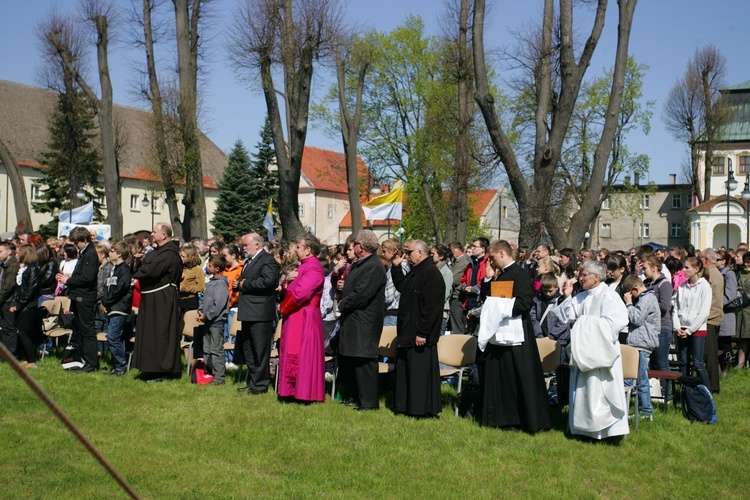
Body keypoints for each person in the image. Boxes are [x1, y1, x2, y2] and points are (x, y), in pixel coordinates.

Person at [476, 239, 552, 433]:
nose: (490, 262)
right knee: (499, 374)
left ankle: (518, 418)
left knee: (517, 375)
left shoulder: (520, 275)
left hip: (516, 333)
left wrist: (500, 307)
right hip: (498, 334)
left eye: (492, 257)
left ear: (502, 253)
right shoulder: (499, 275)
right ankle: (500, 417)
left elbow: (524, 303)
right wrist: (488, 279)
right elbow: (486, 299)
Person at [548, 259, 629, 440]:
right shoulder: (582, 296)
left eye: (584, 275)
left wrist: (584, 323)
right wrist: (568, 295)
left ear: (596, 277)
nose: (580, 278)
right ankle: (584, 430)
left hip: (602, 353)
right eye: (580, 274)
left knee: (601, 390)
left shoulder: (609, 296)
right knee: (584, 390)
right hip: (584, 352)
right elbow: (566, 316)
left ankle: (608, 432)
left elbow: (618, 322)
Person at [388, 239, 444, 417]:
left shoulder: (431, 273)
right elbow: (404, 288)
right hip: (409, 332)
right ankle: (405, 406)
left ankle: (420, 409)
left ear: (420, 253)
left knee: (419, 374)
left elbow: (432, 308)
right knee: (407, 371)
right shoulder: (417, 271)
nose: (407, 256)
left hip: (419, 335)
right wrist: (396, 267)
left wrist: (423, 332)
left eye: (409, 252)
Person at [337, 230, 386, 411]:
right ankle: (355, 397)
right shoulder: (360, 264)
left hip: (365, 321)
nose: (353, 245)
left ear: (362, 247)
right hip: (354, 319)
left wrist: (342, 304)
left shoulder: (374, 266)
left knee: (364, 361)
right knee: (353, 360)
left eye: (355, 243)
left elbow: (362, 294)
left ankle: (368, 403)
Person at [277, 233, 326, 402]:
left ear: (308, 250)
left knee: (301, 353)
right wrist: (286, 281)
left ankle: (303, 392)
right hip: (296, 314)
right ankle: (290, 390)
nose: (295, 250)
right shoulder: (303, 266)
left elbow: (301, 294)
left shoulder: (313, 268)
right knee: (291, 350)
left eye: (298, 247)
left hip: (304, 315)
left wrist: (283, 307)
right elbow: (291, 287)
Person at [132, 223, 183, 381]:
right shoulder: (158, 251)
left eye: (155, 232)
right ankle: (150, 367)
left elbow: (150, 270)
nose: (151, 235)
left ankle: (163, 370)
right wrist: (140, 263)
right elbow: (144, 265)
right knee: (149, 333)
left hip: (162, 298)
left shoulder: (169, 253)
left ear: (164, 235)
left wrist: (142, 267)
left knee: (161, 334)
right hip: (151, 297)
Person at [235, 233, 280, 395]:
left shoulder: (268, 260)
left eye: (246, 245)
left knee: (260, 349)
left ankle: (261, 384)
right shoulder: (250, 261)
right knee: (249, 349)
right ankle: (253, 381)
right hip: (248, 311)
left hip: (260, 312)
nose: (243, 248)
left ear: (257, 245)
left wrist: (245, 284)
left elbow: (268, 282)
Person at [57, 227, 99, 373]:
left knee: (87, 331)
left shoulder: (90, 254)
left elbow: (87, 278)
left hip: (85, 298)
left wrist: (68, 281)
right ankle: (82, 358)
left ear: (84, 240)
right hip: (78, 296)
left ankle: (91, 363)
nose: (75, 246)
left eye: (76, 242)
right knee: (79, 330)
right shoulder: (84, 253)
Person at [622, 275, 660, 421]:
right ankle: (628, 410)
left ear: (635, 289)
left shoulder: (648, 298)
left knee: (641, 379)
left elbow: (636, 319)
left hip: (642, 344)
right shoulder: (645, 298)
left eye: (632, 294)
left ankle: (646, 411)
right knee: (631, 379)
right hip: (637, 343)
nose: (633, 297)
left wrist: (629, 304)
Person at [673, 257, 711, 389]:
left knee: (698, 363)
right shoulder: (682, 286)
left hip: (697, 330)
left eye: (687, 267)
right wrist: (677, 327)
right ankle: (685, 391)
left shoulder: (704, 286)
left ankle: (706, 392)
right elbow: (676, 309)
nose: (684, 270)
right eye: (684, 267)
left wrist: (689, 331)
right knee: (683, 362)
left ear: (696, 269)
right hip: (682, 328)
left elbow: (704, 312)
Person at [101, 242, 133, 376]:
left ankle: (121, 366)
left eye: (113, 251)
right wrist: (104, 302)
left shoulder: (124, 270)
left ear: (119, 254)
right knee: (115, 337)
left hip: (119, 307)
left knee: (113, 337)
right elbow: (108, 288)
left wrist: (107, 302)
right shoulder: (114, 269)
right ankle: (117, 365)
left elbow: (120, 290)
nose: (110, 253)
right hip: (111, 306)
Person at [198, 255, 229, 385]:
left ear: (217, 269)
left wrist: (208, 315)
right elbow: (206, 300)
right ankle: (209, 372)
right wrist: (200, 310)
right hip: (208, 321)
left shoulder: (221, 284)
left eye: (209, 266)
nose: (207, 267)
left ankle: (219, 377)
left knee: (216, 349)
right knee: (207, 348)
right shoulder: (211, 282)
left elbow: (219, 304)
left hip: (216, 322)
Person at [10, 244, 42, 368]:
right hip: (21, 304)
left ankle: (32, 361)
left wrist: (19, 305)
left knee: (23, 332)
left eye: (18, 253)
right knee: (20, 332)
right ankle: (26, 358)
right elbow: (18, 289)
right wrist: (14, 302)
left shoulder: (34, 269)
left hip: (29, 306)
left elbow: (30, 291)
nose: (16, 255)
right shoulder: (23, 269)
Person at [699, 248, 724, 394]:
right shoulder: (712, 272)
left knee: (710, 355)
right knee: (708, 354)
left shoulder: (712, 273)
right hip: (711, 317)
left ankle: (712, 386)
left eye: (700, 257)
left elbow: (714, 299)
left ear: (706, 259)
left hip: (710, 318)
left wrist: (705, 316)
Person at [459, 237, 489, 334]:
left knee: (477, 335)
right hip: (468, 302)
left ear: (483, 249)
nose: (472, 249)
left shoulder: (487, 263)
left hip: (479, 303)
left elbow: (486, 283)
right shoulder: (471, 263)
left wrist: (473, 289)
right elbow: (463, 279)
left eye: (475, 247)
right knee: (468, 333)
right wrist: (464, 287)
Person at [716, 249, 738, 375]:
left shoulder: (729, 274)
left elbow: (731, 294)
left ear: (724, 261)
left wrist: (717, 304)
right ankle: (718, 366)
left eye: (717, 259)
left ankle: (728, 367)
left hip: (725, 312)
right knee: (717, 342)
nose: (715, 262)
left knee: (725, 342)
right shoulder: (715, 273)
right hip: (716, 312)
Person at [0, 241, 19, 355]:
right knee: (4, 328)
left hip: (8, 300)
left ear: (9, 251)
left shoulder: (12, 265)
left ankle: (11, 353)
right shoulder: (3, 264)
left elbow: (8, 286)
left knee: (9, 328)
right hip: (4, 300)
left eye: (1, 251)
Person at [448, 242, 470, 334]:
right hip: (454, 295)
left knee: (457, 324)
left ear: (458, 250)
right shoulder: (455, 261)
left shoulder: (464, 261)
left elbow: (454, 279)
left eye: (451, 251)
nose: (450, 253)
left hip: (458, 296)